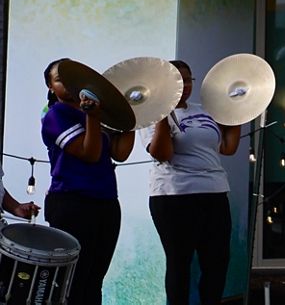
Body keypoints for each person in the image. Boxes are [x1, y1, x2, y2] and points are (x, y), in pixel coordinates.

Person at [145, 59, 241, 305]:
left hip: (215, 193)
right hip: (173, 196)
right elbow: (163, 154)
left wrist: (239, 112)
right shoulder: (151, 115)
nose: (184, 85)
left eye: (188, 79)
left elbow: (228, 148)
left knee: (217, 262)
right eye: (177, 80)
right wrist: (162, 118)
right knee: (180, 263)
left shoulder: (206, 110)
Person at [41, 58, 136, 305]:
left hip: (105, 203)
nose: (68, 84)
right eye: (60, 79)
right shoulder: (56, 115)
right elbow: (90, 154)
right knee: (73, 280)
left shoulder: (97, 113)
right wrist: (92, 117)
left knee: (95, 279)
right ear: (51, 87)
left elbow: (120, 152)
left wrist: (133, 119)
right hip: (72, 202)